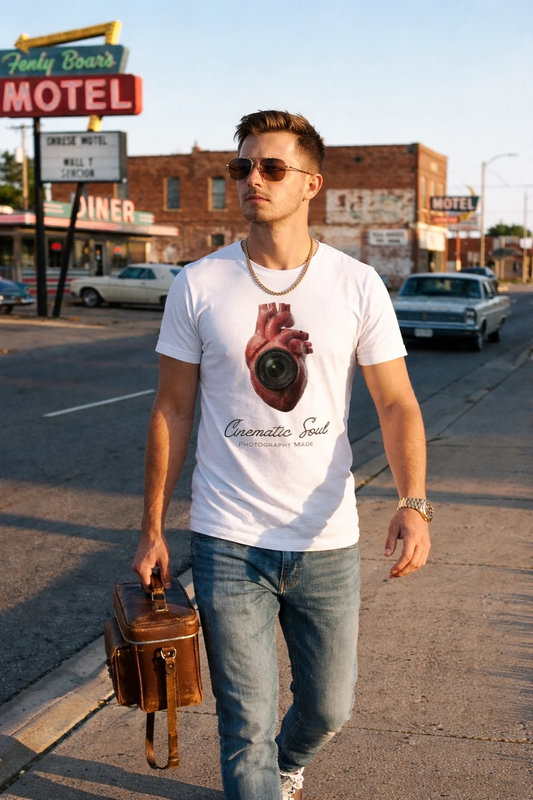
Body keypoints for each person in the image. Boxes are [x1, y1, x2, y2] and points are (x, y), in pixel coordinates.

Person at [133, 110, 432, 800]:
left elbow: (396, 404)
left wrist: (413, 502)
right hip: (226, 539)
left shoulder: (356, 284)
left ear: (311, 185)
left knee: (330, 707)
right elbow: (171, 409)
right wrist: (151, 528)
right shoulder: (198, 284)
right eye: (242, 167)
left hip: (324, 540)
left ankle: (285, 765)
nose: (251, 180)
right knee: (245, 726)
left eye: (271, 168)